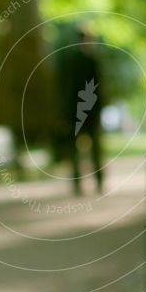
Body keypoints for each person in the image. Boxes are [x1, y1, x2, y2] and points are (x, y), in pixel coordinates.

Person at [56, 26, 105, 195]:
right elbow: (97, 88)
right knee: (92, 150)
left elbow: (62, 88)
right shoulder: (89, 60)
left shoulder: (68, 61)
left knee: (79, 151)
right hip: (84, 110)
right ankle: (95, 182)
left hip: (76, 111)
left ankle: (82, 183)